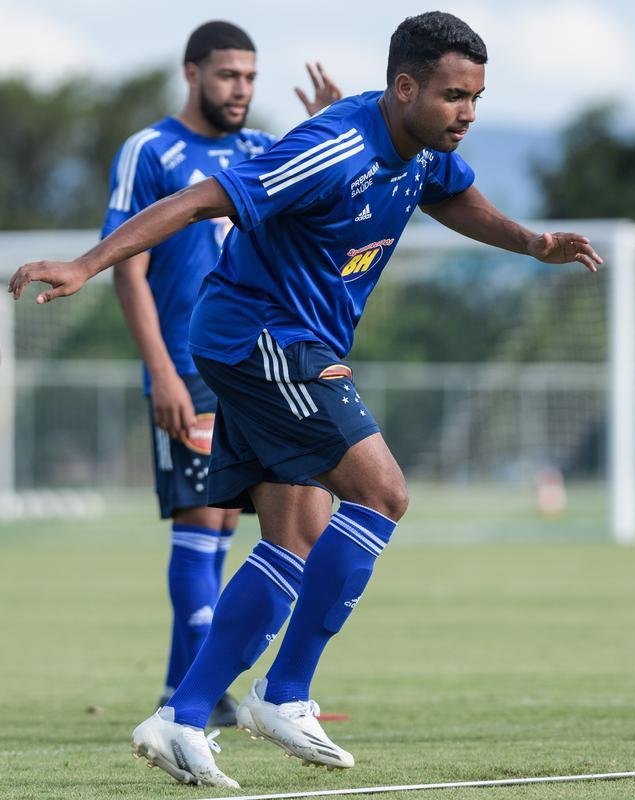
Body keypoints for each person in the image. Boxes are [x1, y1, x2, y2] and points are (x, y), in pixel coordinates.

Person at [9, 11, 602, 790]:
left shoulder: (423, 150)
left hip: (280, 342)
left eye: (478, 98)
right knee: (383, 492)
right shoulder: (333, 147)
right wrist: (88, 265)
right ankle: (282, 693)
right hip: (258, 337)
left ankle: (182, 717)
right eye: (455, 96)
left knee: (298, 536)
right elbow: (198, 202)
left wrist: (530, 242)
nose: (468, 113)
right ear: (403, 87)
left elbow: (452, 197)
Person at [102, 21, 342, 727]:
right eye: (228, 75)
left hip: (251, 363)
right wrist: (163, 375)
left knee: (239, 531)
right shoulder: (150, 151)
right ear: (192, 73)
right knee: (201, 525)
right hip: (185, 363)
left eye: (250, 77)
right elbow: (127, 267)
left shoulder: (256, 149)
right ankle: (197, 698)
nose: (241, 89)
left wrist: (323, 125)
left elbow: (303, 206)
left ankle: (189, 689)